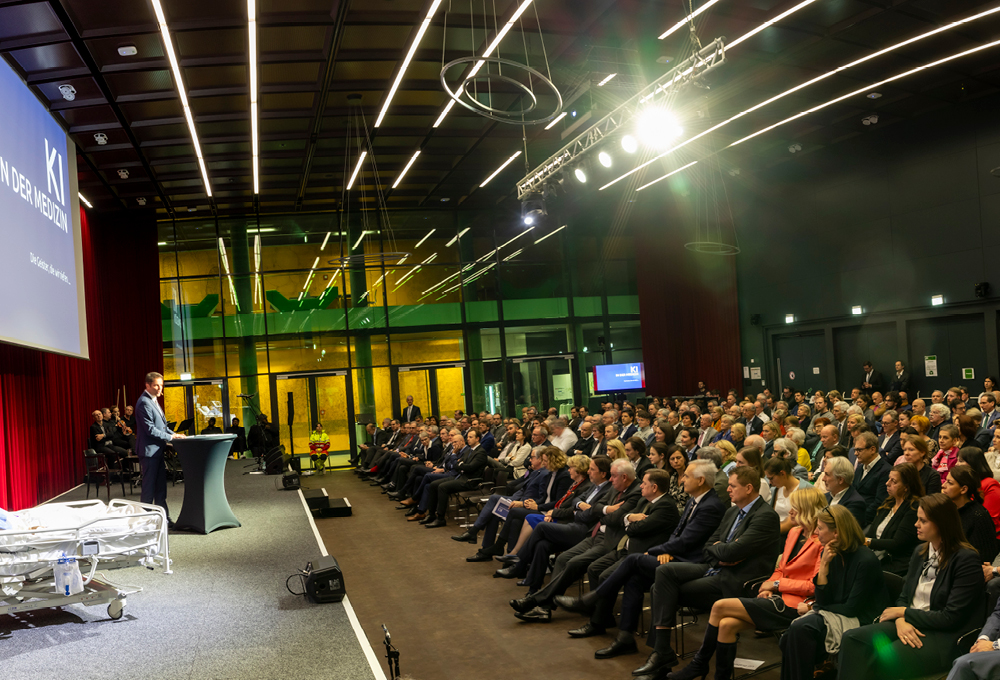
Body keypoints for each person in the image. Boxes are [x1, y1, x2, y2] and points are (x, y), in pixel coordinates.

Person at [553, 459, 726, 641]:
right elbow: (677, 533)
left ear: (700, 480)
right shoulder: (695, 501)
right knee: (633, 579)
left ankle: (590, 601)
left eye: (687, 476)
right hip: (673, 555)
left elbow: (687, 540)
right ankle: (624, 638)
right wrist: (665, 550)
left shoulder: (710, 506)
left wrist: (655, 551)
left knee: (633, 560)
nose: (682, 480)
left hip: (691, 562)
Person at [669, 486, 827, 680]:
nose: (790, 511)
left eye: (795, 507)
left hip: (797, 605)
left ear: (808, 510)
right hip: (776, 597)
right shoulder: (794, 533)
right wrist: (768, 585)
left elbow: (814, 586)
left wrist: (776, 586)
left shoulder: (821, 541)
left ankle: (699, 664)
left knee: (719, 606)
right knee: (726, 625)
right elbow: (780, 569)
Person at [839, 494, 986, 680]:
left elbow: (951, 617)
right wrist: (901, 620)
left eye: (922, 521)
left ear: (942, 524)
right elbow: (904, 597)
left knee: (886, 658)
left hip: (943, 635)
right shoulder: (920, 552)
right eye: (917, 519)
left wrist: (904, 614)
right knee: (852, 639)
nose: (916, 524)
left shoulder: (966, 559)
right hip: (910, 622)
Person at [510, 466, 679, 622]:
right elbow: (595, 508)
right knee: (559, 555)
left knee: (570, 558)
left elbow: (617, 520)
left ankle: (530, 585)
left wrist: (612, 515)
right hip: (596, 534)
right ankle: (541, 603)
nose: (610, 480)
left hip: (611, 540)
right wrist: (614, 514)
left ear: (624, 477)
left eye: (613, 476)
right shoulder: (619, 490)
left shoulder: (636, 494)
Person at [778, 505, 888, 680]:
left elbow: (852, 608)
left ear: (836, 533)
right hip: (835, 612)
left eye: (820, 528)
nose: (816, 532)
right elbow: (824, 598)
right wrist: (823, 568)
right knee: (794, 634)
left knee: (800, 630)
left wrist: (816, 607)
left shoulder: (866, 560)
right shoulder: (830, 554)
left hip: (862, 618)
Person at [135, 371, 185, 519]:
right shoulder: (144, 402)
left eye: (161, 385)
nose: (159, 388)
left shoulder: (153, 399)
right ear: (147, 385)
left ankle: (164, 520)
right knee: (149, 490)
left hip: (157, 451)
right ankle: (146, 522)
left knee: (160, 489)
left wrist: (174, 434)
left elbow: (162, 426)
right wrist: (170, 437)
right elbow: (150, 429)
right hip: (149, 452)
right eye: (156, 385)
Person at [865, 463, 923, 576]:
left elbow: (898, 544)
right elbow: (872, 531)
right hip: (877, 555)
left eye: (894, 482)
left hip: (896, 562)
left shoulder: (914, 508)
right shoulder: (888, 502)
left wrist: (867, 542)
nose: (887, 483)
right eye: (888, 479)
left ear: (906, 487)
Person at [943, 465, 999, 563]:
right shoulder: (949, 509)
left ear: (963, 489)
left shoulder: (978, 516)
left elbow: (984, 556)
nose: (943, 485)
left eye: (950, 483)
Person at [958, 447, 1000, 536]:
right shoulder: (963, 485)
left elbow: (989, 520)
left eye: (961, 461)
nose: (956, 464)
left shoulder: (990, 484)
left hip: (988, 536)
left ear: (973, 463)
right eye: (957, 460)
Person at [765, 456, 813, 534]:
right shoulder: (776, 489)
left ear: (782, 473)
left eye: (771, 478)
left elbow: (792, 523)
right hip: (776, 532)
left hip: (794, 534)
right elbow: (772, 515)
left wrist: (765, 531)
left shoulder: (805, 490)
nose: (770, 482)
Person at [853, 430, 892, 525]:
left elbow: (880, 502)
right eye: (855, 450)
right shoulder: (859, 469)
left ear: (872, 449)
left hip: (868, 521)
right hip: (853, 515)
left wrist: (856, 519)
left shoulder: (886, 471)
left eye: (859, 450)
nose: (855, 454)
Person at [823, 456, 867, 528]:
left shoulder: (856, 503)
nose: (823, 479)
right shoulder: (826, 496)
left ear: (840, 480)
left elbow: (844, 532)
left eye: (827, 475)